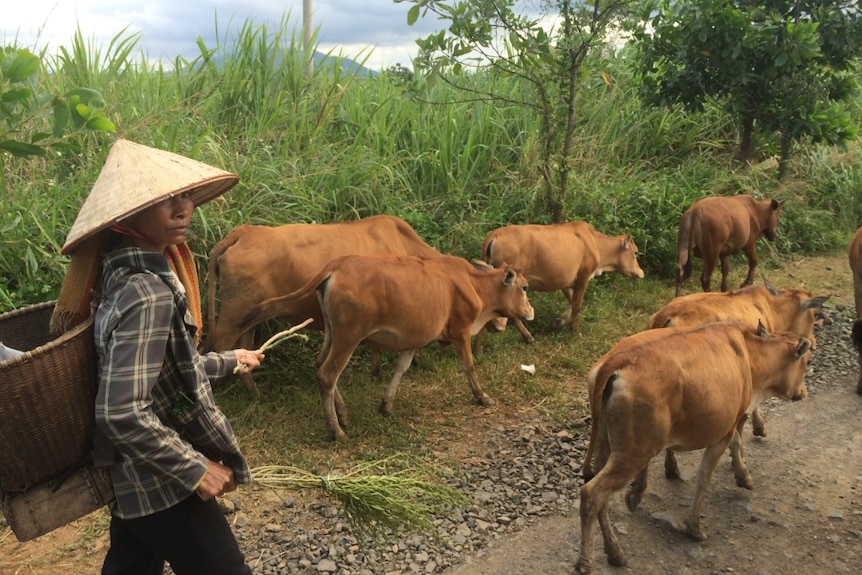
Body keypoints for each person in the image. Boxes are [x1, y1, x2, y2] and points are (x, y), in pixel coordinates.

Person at [51, 139, 264, 575]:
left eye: (185, 195)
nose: (182, 208)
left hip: (135, 479)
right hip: (162, 483)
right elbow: (121, 411)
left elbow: (168, 367)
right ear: (128, 216)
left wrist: (230, 359)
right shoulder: (148, 292)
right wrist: (196, 468)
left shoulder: (122, 275)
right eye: (165, 200)